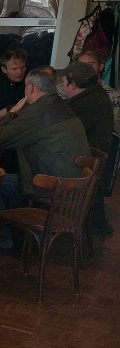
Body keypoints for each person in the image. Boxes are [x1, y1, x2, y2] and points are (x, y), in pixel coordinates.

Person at [0, 67, 89, 202]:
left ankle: (12, 221)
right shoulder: (61, 104)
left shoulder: (37, 111)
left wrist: (12, 112)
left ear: (31, 87)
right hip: (73, 185)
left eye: (26, 86)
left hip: (52, 187)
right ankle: (14, 217)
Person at [60, 60, 115, 236]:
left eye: (63, 83)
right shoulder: (97, 94)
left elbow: (62, 132)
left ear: (73, 84)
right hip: (92, 165)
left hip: (80, 167)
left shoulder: (85, 104)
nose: (61, 87)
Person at [74, 49, 120, 118]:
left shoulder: (113, 97)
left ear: (100, 67)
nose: (84, 68)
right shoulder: (63, 89)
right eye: (80, 65)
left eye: (90, 64)